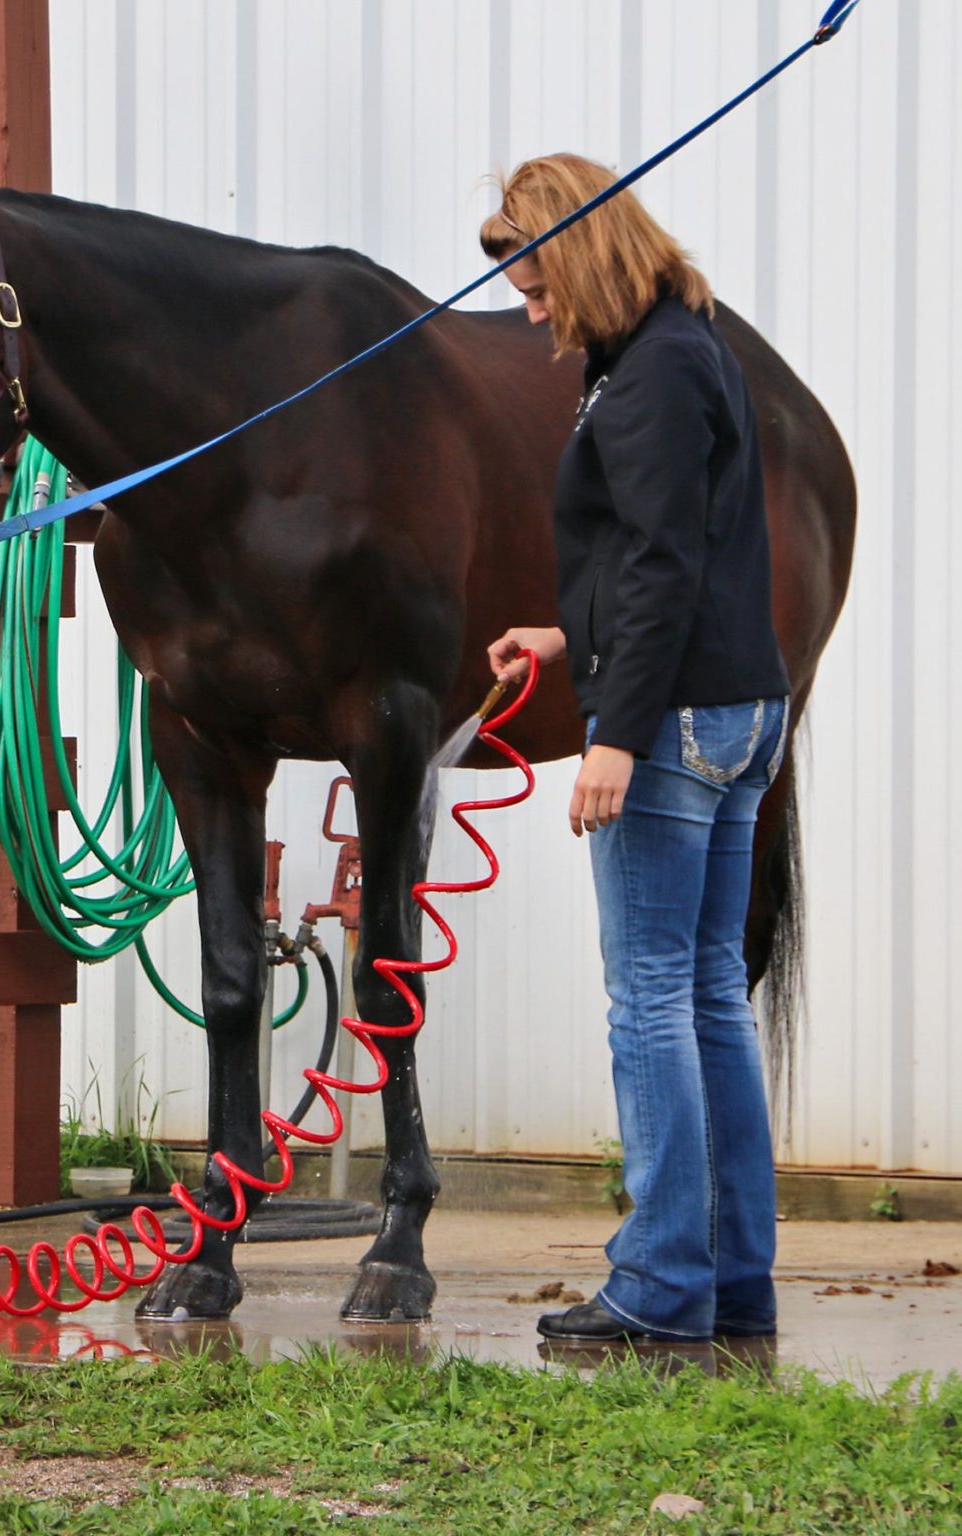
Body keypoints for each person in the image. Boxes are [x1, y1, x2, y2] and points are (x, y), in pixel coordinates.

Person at [481, 154, 791, 1343]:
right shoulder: (682, 346)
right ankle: (732, 1282)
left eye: (537, 284)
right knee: (708, 992)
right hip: (738, 707)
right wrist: (569, 635)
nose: (530, 313)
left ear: (582, 254)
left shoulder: (654, 371)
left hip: (675, 723)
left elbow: (662, 564)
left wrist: (615, 736)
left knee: (651, 996)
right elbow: (681, 551)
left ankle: (661, 1288)